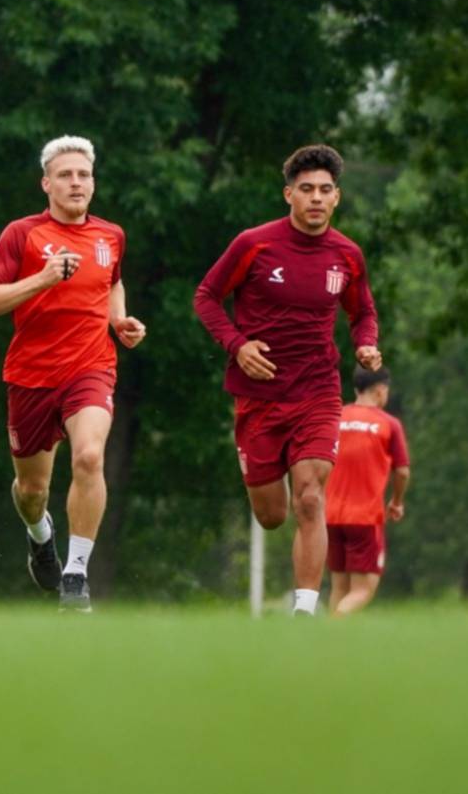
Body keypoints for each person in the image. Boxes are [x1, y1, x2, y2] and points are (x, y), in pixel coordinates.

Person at [194, 144, 381, 616]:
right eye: (306, 190)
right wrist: (238, 345)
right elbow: (207, 297)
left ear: (336, 198)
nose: (316, 198)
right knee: (272, 515)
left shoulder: (347, 255)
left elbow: (363, 312)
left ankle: (303, 610)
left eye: (325, 190)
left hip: (318, 389)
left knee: (311, 495)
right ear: (288, 195)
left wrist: (366, 343)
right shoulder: (254, 244)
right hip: (258, 396)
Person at [0, 135, 145, 612]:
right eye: (66, 175)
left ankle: (75, 574)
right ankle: (40, 534)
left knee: (90, 457)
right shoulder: (21, 234)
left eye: (84, 175)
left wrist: (120, 320)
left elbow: (112, 281)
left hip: (91, 368)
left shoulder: (111, 236)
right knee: (32, 492)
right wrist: (45, 278)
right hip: (30, 376)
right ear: (46, 184)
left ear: (93, 183)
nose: (76, 183)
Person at [325, 367, 410, 616]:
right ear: (381, 390)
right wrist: (396, 502)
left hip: (330, 515)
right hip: (364, 517)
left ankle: (334, 647)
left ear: (356, 389)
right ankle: (332, 630)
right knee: (364, 589)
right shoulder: (388, 424)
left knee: (339, 587)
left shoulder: (335, 418)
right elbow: (402, 472)